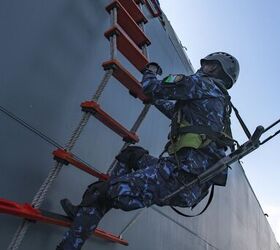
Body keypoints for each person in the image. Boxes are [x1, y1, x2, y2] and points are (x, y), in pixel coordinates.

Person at [56, 52, 240, 250]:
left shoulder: (201, 84)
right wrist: (153, 100)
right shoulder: (219, 104)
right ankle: (89, 213)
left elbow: (152, 87)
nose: (203, 67)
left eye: (208, 64)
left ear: (214, 68)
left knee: (97, 192)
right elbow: (176, 112)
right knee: (131, 155)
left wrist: (150, 71)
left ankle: (72, 240)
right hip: (191, 185)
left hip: (175, 178)